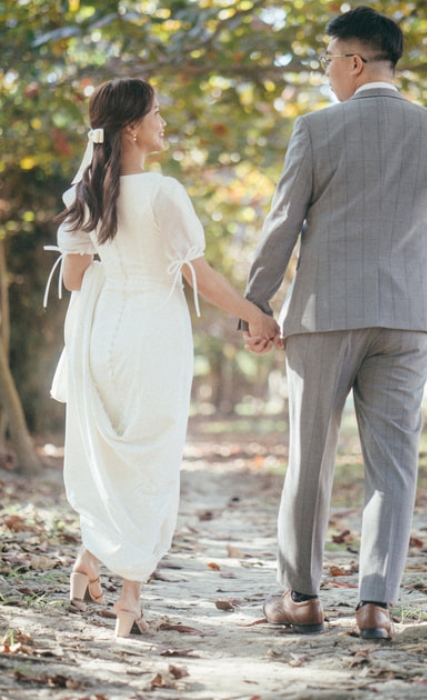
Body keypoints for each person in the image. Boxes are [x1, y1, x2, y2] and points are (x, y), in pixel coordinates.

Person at [241, 6, 427, 640]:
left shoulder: (315, 129)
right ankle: (375, 606)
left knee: (311, 458)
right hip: (410, 321)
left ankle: (301, 598)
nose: (326, 72)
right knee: (394, 465)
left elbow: (283, 225)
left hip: (324, 317)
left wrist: (257, 305)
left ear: (355, 62)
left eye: (329, 60)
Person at [49, 78, 280, 637]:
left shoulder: (87, 192)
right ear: (132, 128)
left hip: (104, 336)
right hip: (153, 335)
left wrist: (118, 261)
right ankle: (129, 598)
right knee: (149, 462)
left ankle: (87, 563)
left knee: (113, 452)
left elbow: (77, 278)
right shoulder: (163, 193)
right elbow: (196, 275)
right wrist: (257, 315)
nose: (163, 123)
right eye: (156, 114)